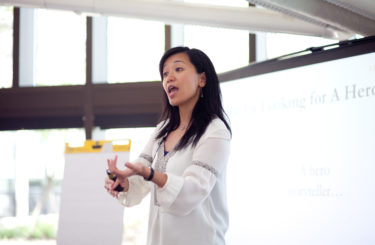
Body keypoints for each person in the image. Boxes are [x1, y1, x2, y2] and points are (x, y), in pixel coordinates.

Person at [104, 46, 231, 245]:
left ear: (202, 79)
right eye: (164, 74)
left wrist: (151, 174)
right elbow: (139, 176)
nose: (169, 78)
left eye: (178, 69)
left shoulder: (215, 131)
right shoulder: (161, 130)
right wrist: (121, 181)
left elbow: (192, 191)